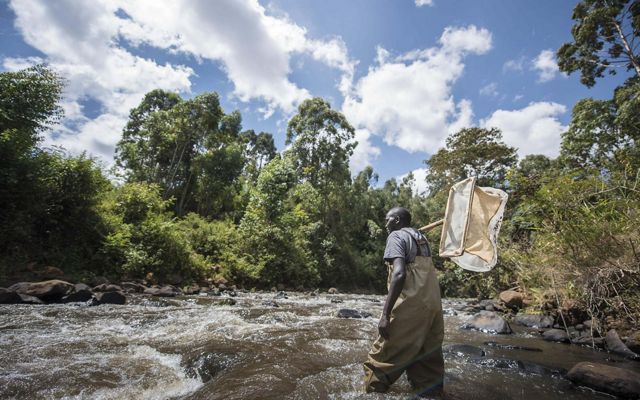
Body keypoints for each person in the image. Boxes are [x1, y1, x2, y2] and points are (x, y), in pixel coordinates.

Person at [363, 207, 445, 398]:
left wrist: (385, 314)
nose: (386, 224)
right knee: (426, 365)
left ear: (398, 220)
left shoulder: (396, 236)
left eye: (388, 220)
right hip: (432, 306)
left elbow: (399, 274)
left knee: (379, 361)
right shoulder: (421, 238)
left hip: (411, 306)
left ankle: (371, 394)